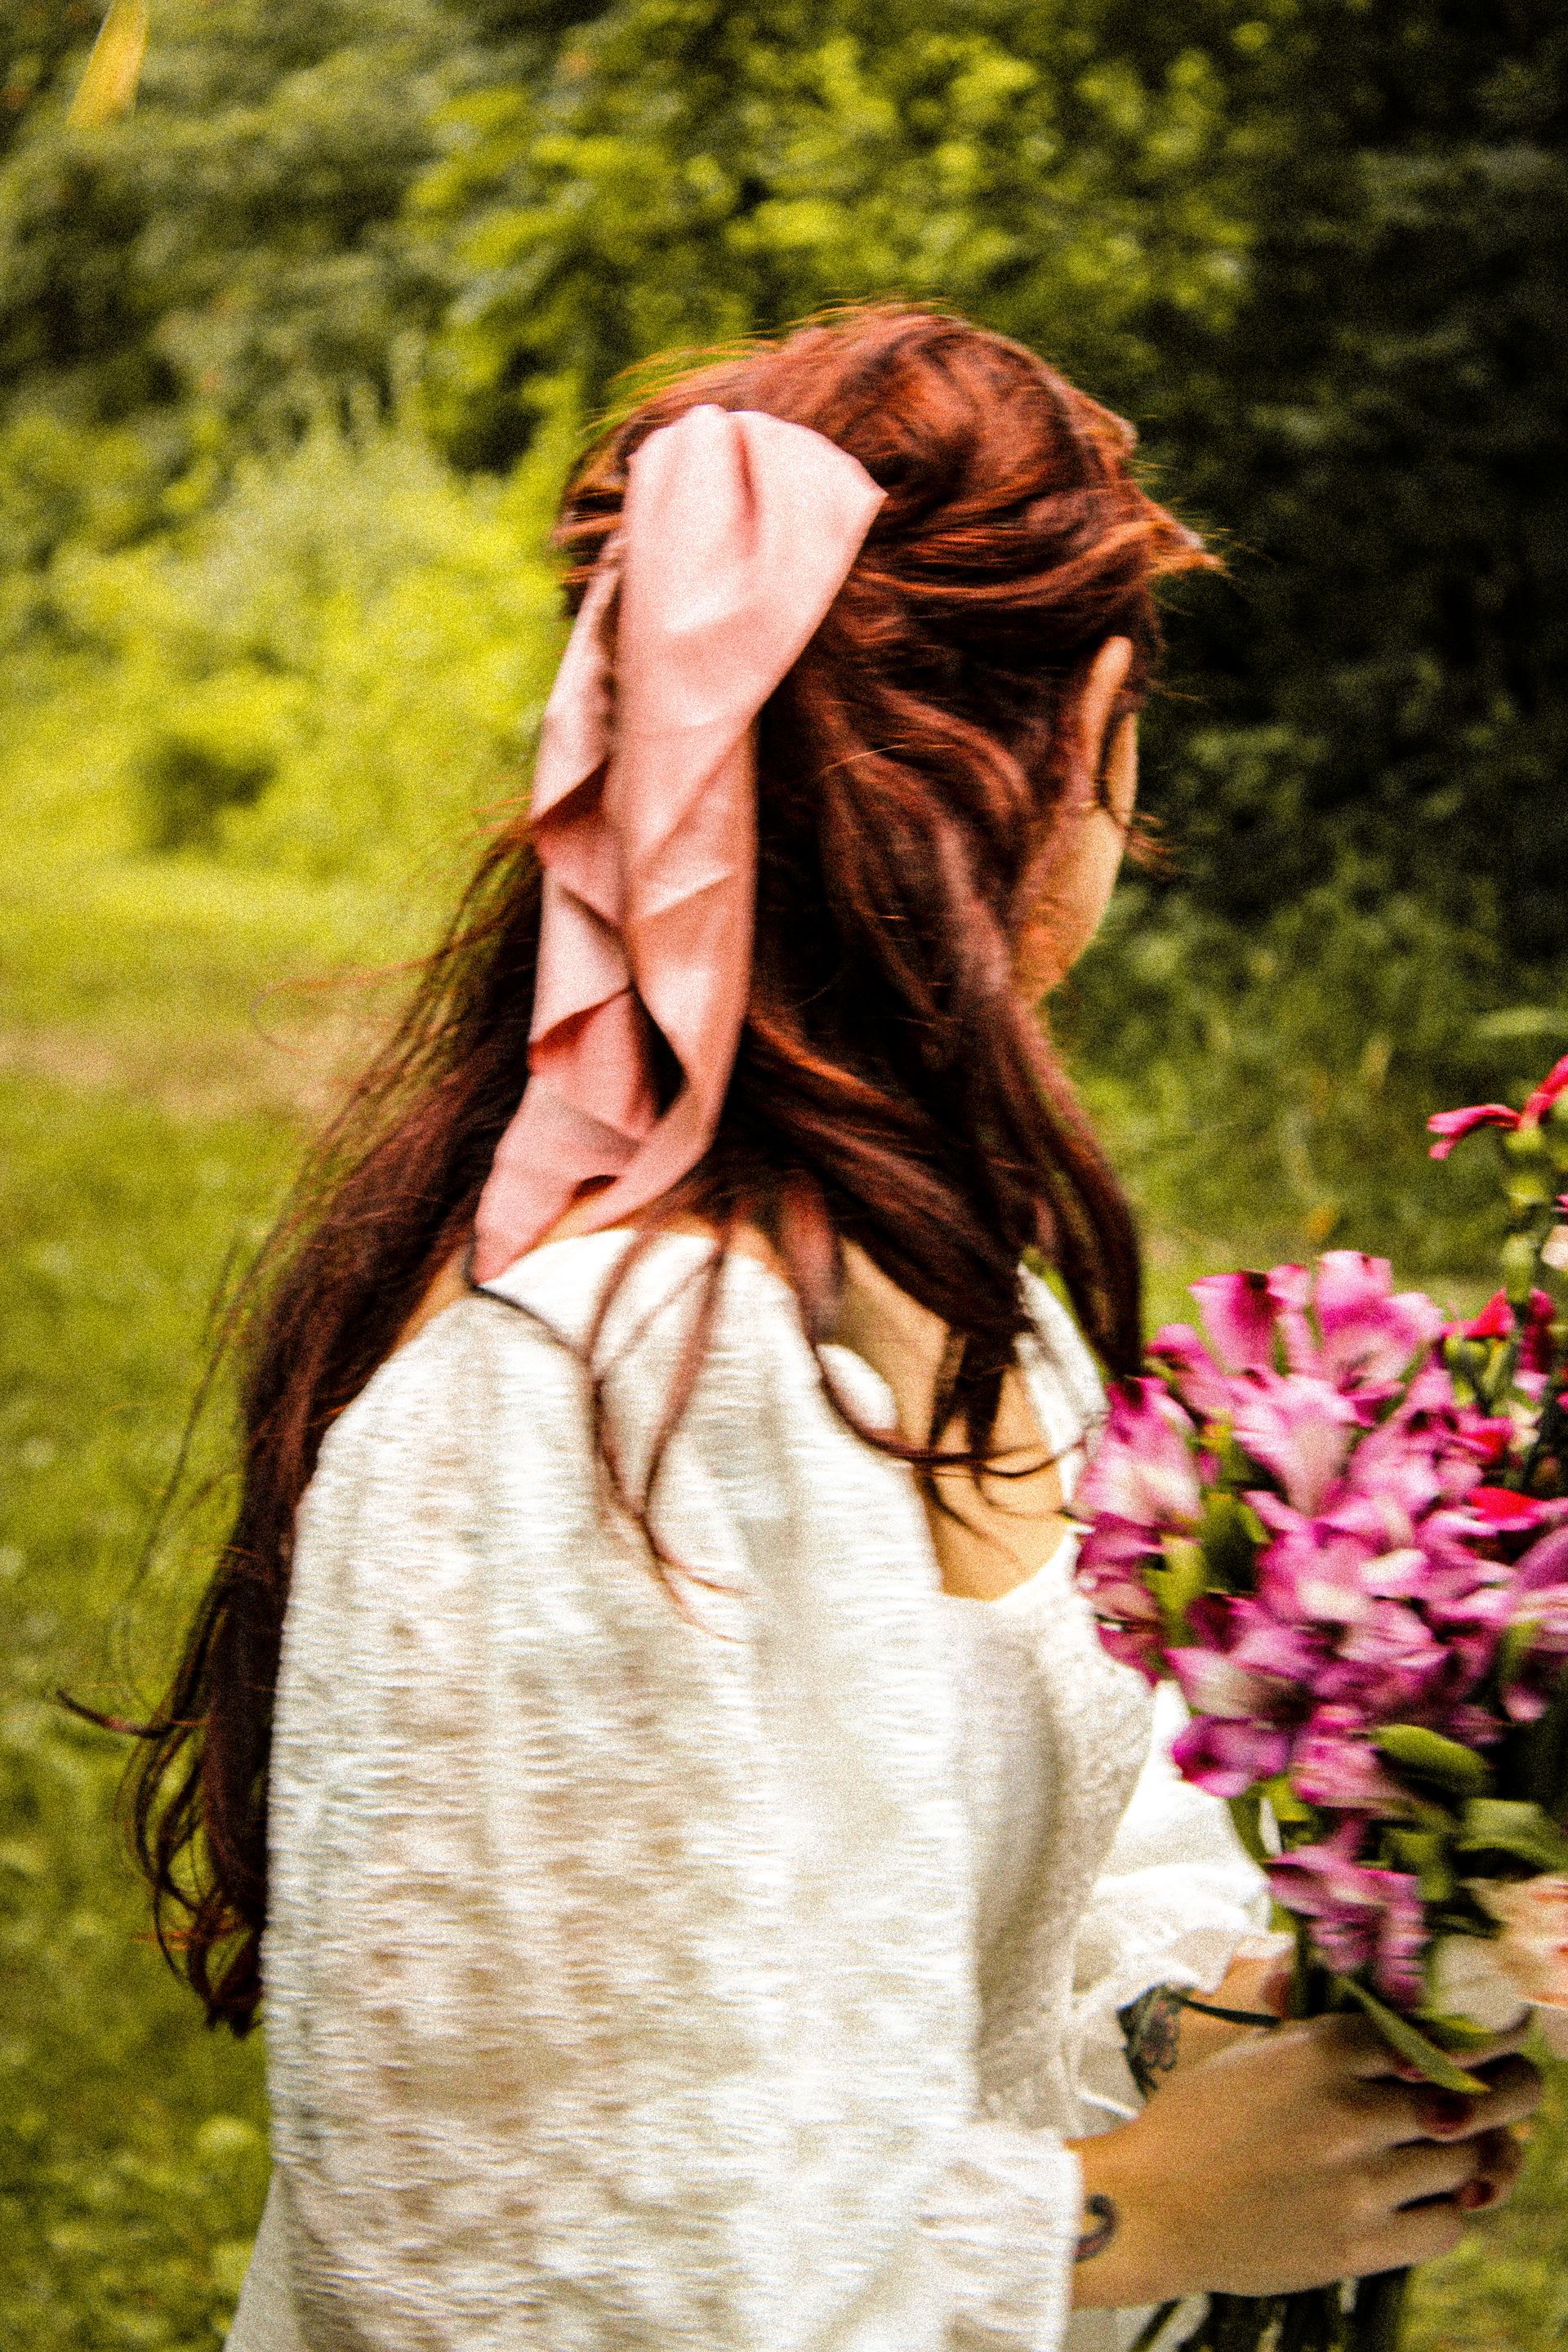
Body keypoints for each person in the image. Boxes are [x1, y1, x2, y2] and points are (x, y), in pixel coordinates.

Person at [131, 307, 1540, 2352]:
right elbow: (501, 2259)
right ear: (1095, 743)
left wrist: (1219, 2037)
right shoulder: (572, 1405)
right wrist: (1123, 2223)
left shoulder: (975, 1303)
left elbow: (918, 1990)